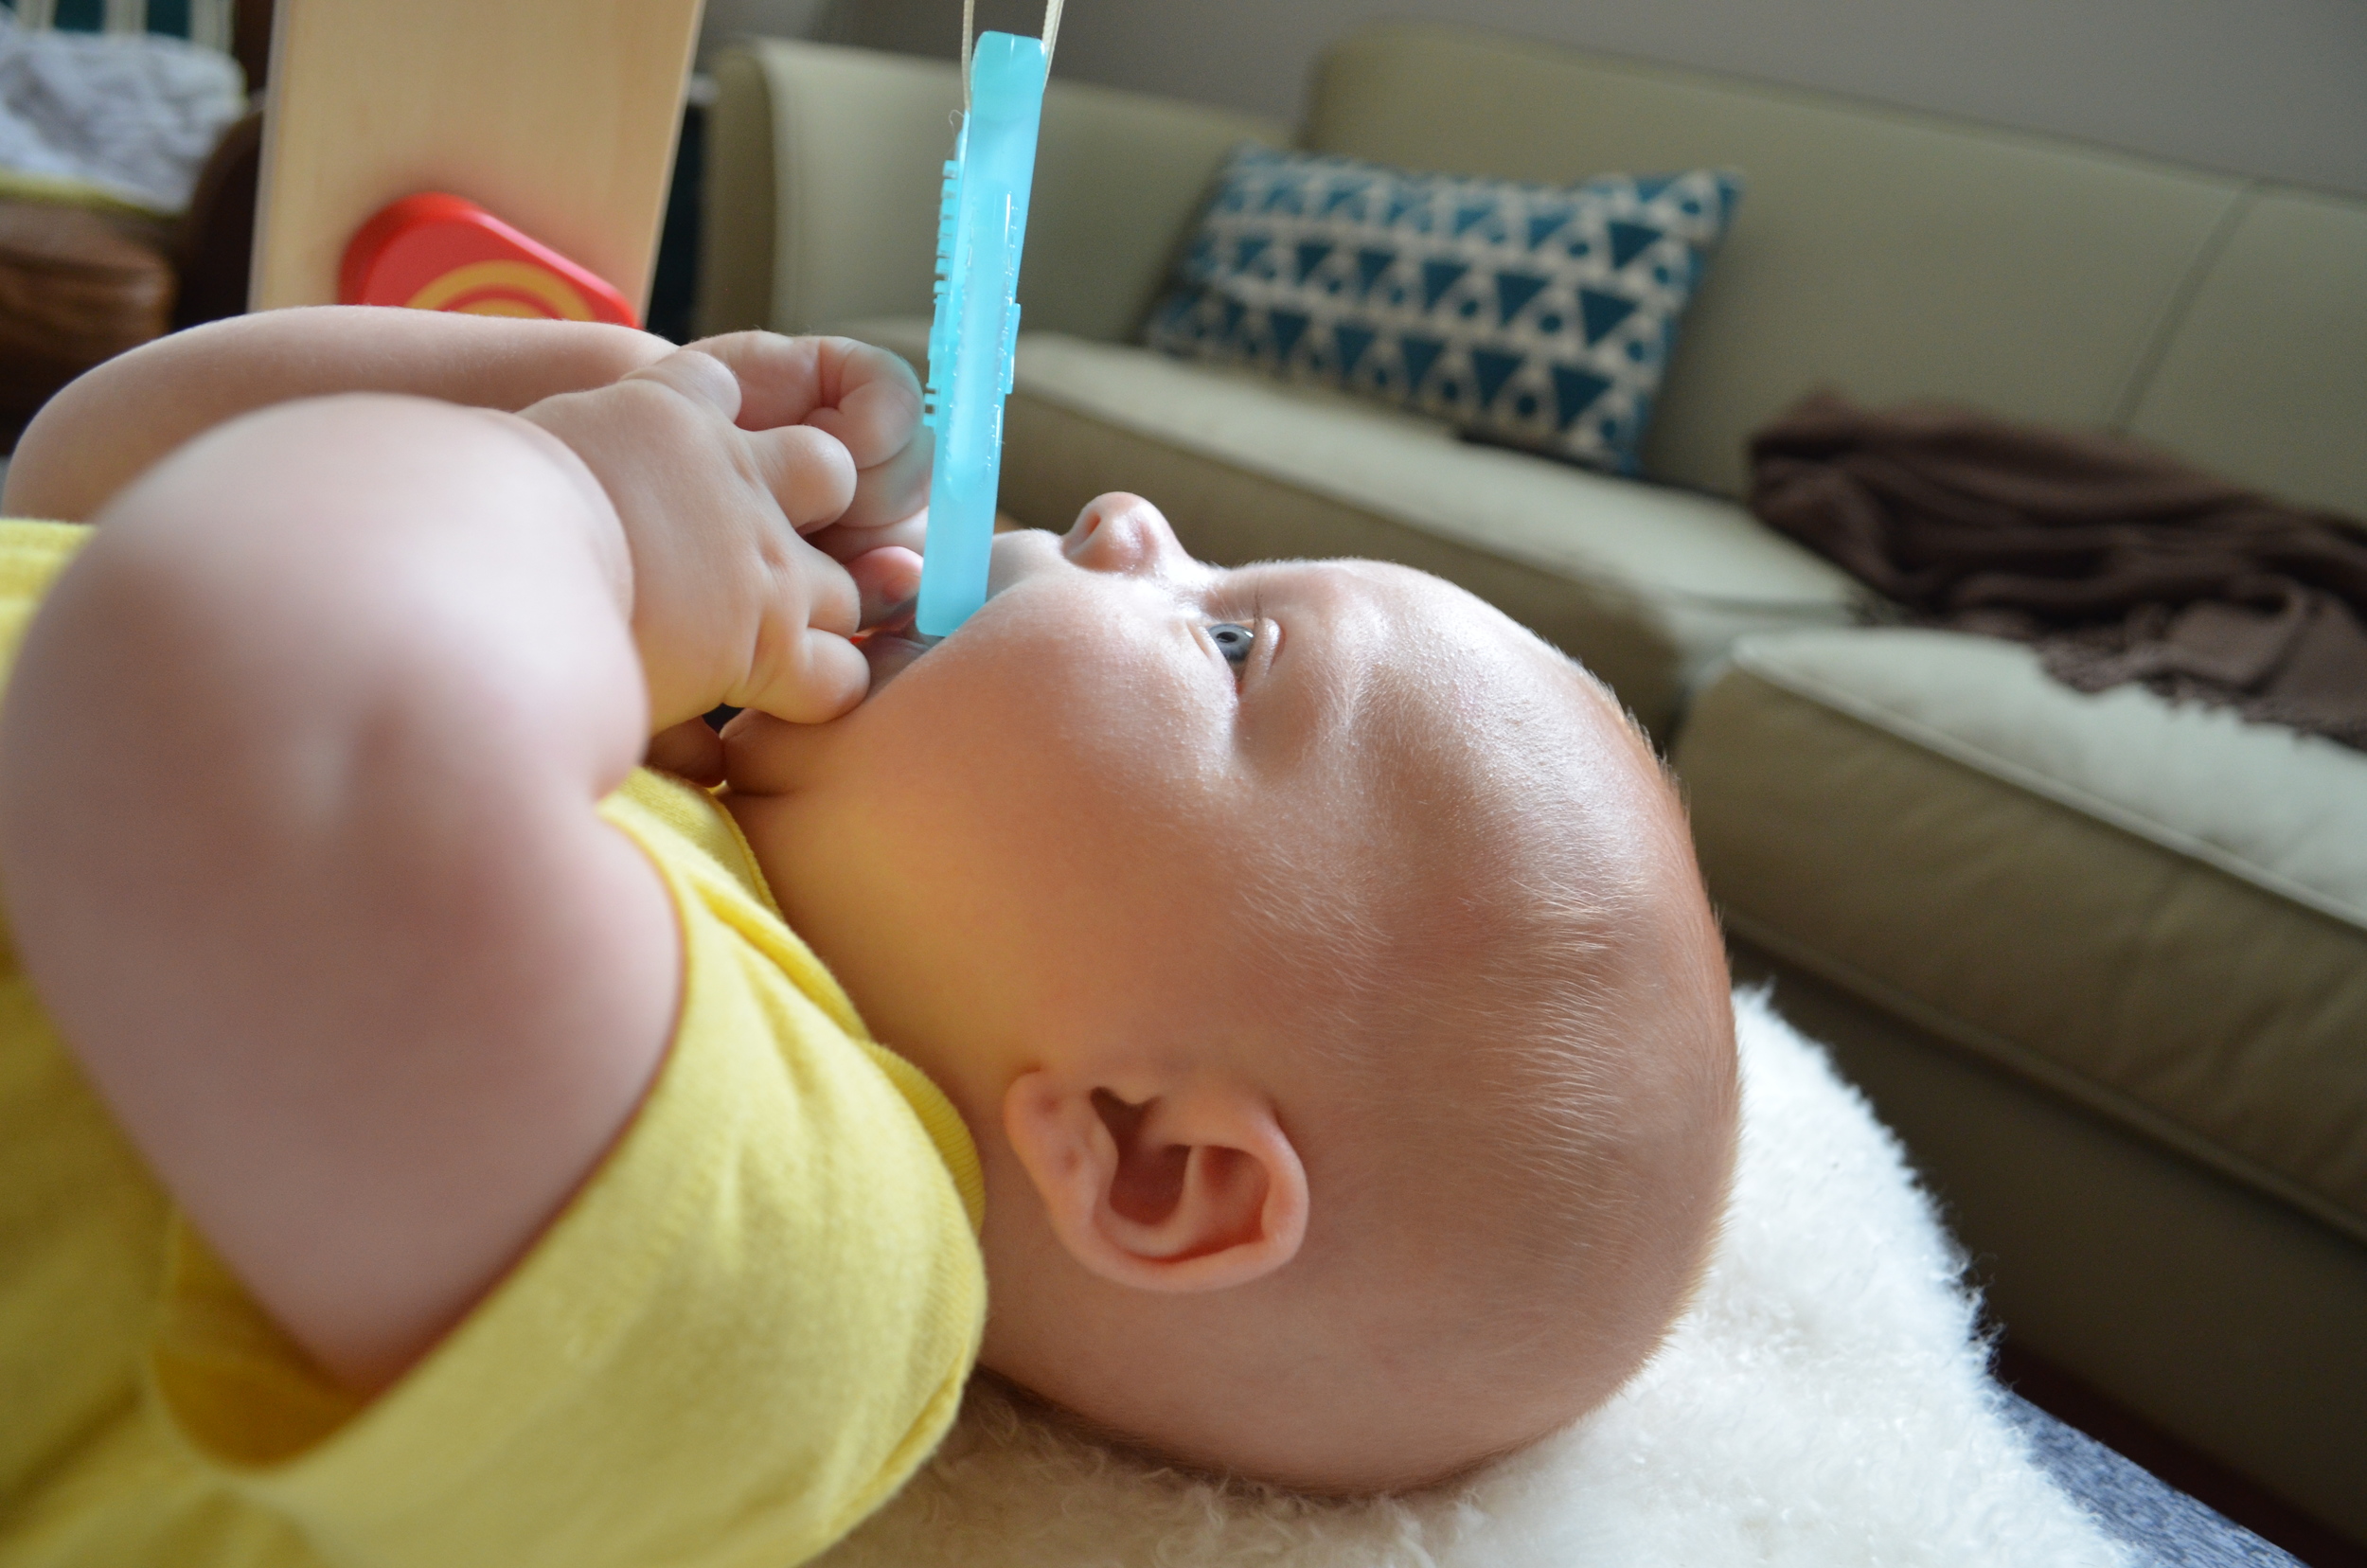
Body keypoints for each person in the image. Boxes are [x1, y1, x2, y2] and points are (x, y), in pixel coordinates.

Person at [0, 308, 1736, 1568]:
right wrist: (611, 399)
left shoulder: (809, 1271)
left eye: (1228, 648)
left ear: (1142, 1158)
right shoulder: (631, 769)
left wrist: (583, 524)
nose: (1131, 524)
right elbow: (94, 481)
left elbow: (217, 700)